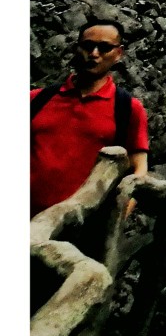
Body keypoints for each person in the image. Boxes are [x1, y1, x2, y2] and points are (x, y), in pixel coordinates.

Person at [30, 21, 149, 218]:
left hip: (83, 227)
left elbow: (139, 169)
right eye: (87, 46)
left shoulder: (127, 108)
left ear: (119, 53)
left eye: (104, 48)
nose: (94, 53)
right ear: (77, 48)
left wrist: (119, 217)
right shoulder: (37, 99)